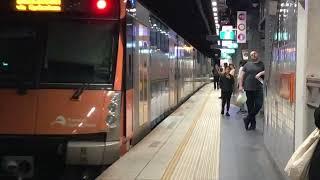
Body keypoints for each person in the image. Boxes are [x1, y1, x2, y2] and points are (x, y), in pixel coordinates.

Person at [239, 51, 265, 130]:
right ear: (250, 56)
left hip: (259, 88)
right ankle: (252, 125)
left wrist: (261, 73)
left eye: (255, 53)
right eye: (252, 54)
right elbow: (241, 76)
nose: (253, 55)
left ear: (258, 55)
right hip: (248, 88)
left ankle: (247, 119)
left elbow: (268, 71)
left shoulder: (262, 64)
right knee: (250, 107)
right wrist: (240, 86)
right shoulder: (247, 65)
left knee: (259, 104)